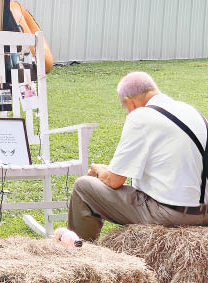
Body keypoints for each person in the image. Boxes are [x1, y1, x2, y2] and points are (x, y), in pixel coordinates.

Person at [68, 71, 208, 241]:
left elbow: (114, 181)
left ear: (129, 102)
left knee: (83, 187)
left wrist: (99, 170)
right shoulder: (191, 111)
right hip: (204, 212)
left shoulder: (140, 116)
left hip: (172, 214)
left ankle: (80, 254)